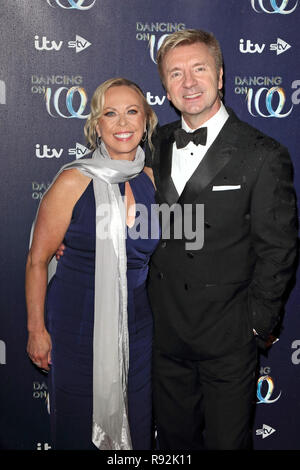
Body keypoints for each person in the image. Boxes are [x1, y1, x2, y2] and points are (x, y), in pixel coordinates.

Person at [145, 29, 298, 450]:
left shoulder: (262, 154)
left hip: (229, 338)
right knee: (173, 447)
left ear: (221, 76)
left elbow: (279, 250)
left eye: (199, 69)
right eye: (176, 74)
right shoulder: (152, 145)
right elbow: (117, 201)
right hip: (165, 334)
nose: (188, 82)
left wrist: (255, 325)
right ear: (165, 87)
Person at [25, 77, 159, 450]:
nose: (122, 123)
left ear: (146, 121)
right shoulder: (74, 180)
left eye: (132, 112)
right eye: (110, 114)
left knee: (138, 422)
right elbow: (37, 260)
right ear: (96, 125)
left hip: (139, 328)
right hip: (76, 326)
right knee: (78, 426)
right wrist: (37, 330)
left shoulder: (150, 180)